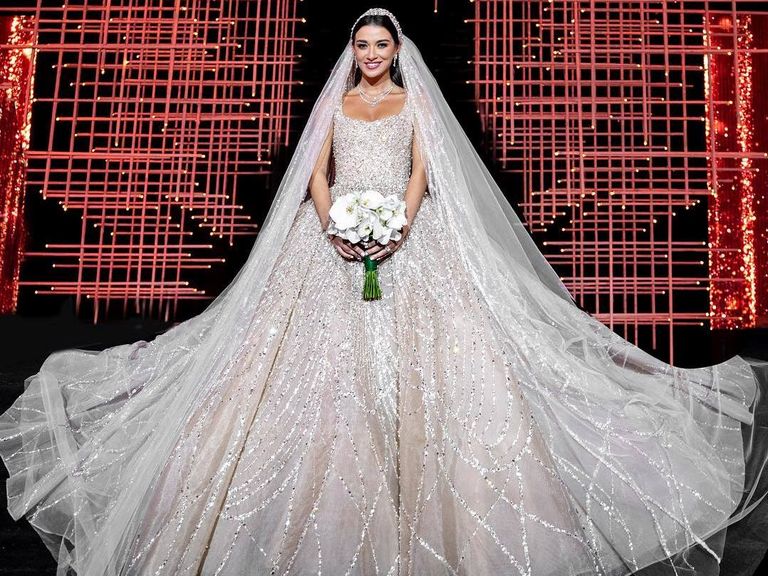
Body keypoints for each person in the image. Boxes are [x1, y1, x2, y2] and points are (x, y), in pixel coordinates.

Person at [1, 7, 768, 575]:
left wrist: (397, 226)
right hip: (332, 240)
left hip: (409, 240)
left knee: (447, 372)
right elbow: (316, 172)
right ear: (353, 51)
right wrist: (336, 225)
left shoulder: (413, 104)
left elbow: (423, 172)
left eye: (381, 45)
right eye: (362, 45)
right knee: (295, 374)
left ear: (397, 51)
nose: (371, 55)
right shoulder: (336, 105)